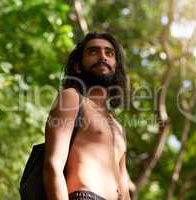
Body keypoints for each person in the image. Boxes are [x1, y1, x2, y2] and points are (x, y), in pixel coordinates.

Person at [43, 32, 133, 200]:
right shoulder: (72, 98)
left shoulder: (118, 127)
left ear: (115, 66)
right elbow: (53, 165)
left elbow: (124, 188)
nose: (102, 57)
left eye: (109, 53)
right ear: (78, 66)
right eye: (93, 52)